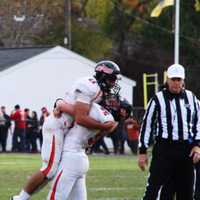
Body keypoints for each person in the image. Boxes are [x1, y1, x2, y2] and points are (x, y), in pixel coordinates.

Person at [11, 60, 120, 200]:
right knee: (49, 170)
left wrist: (60, 103)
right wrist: (103, 126)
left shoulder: (97, 91)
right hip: (57, 126)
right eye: (112, 78)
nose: (114, 83)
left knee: (56, 171)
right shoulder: (90, 86)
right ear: (102, 76)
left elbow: (73, 107)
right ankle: (19, 199)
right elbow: (81, 118)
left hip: (64, 128)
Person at [138, 63, 200, 200]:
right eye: (173, 79)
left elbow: (198, 123)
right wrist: (142, 151)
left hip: (186, 150)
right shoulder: (157, 99)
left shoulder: (192, 98)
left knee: (186, 192)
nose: (176, 83)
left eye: (179, 79)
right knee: (154, 191)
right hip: (164, 150)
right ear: (167, 79)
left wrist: (197, 145)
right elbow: (147, 125)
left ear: (183, 80)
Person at [47, 102, 117, 200]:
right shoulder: (102, 116)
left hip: (71, 157)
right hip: (80, 156)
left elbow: (65, 107)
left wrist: (59, 104)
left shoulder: (96, 109)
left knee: (55, 197)